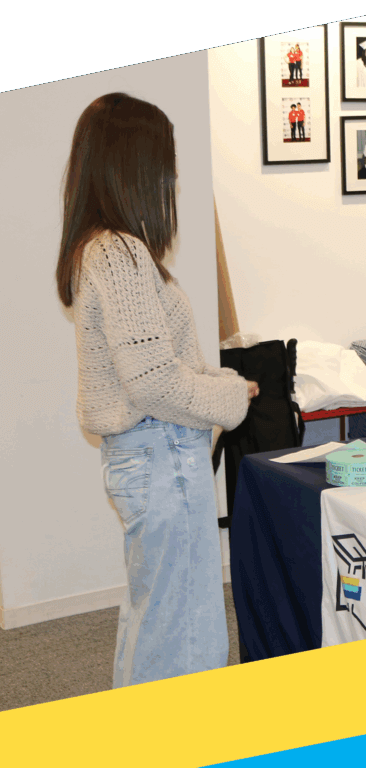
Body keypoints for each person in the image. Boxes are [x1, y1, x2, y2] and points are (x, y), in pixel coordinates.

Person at [55, 93, 255, 687]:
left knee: (156, 619)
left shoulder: (100, 248)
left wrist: (220, 380)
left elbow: (156, 365)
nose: (171, 176)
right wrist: (230, 401)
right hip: (161, 453)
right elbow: (151, 382)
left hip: (147, 454)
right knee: (187, 632)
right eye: (164, 161)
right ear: (133, 164)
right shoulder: (118, 252)